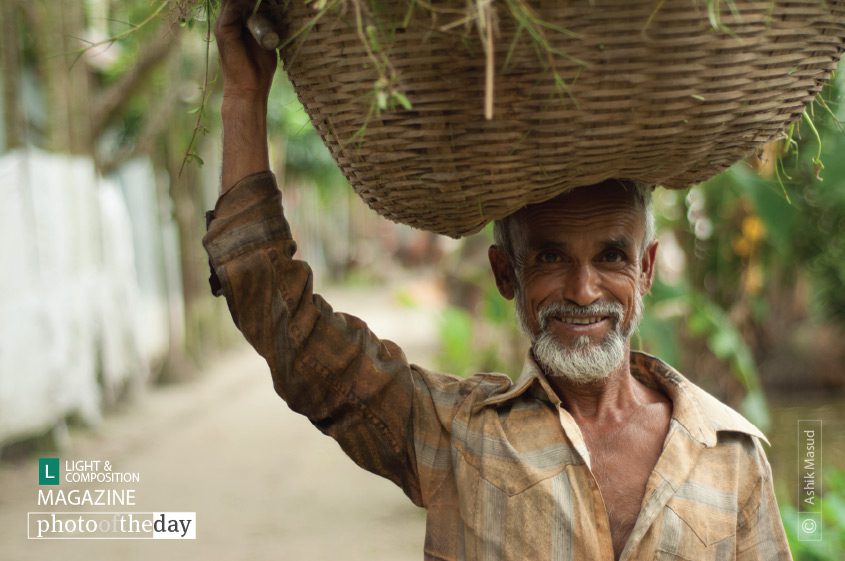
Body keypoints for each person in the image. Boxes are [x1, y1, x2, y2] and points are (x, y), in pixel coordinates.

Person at [205, 2, 792, 559]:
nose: (583, 291)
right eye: (550, 259)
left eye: (611, 257)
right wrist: (244, 96)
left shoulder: (732, 456)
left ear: (646, 269)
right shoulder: (455, 435)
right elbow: (283, 319)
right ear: (505, 274)